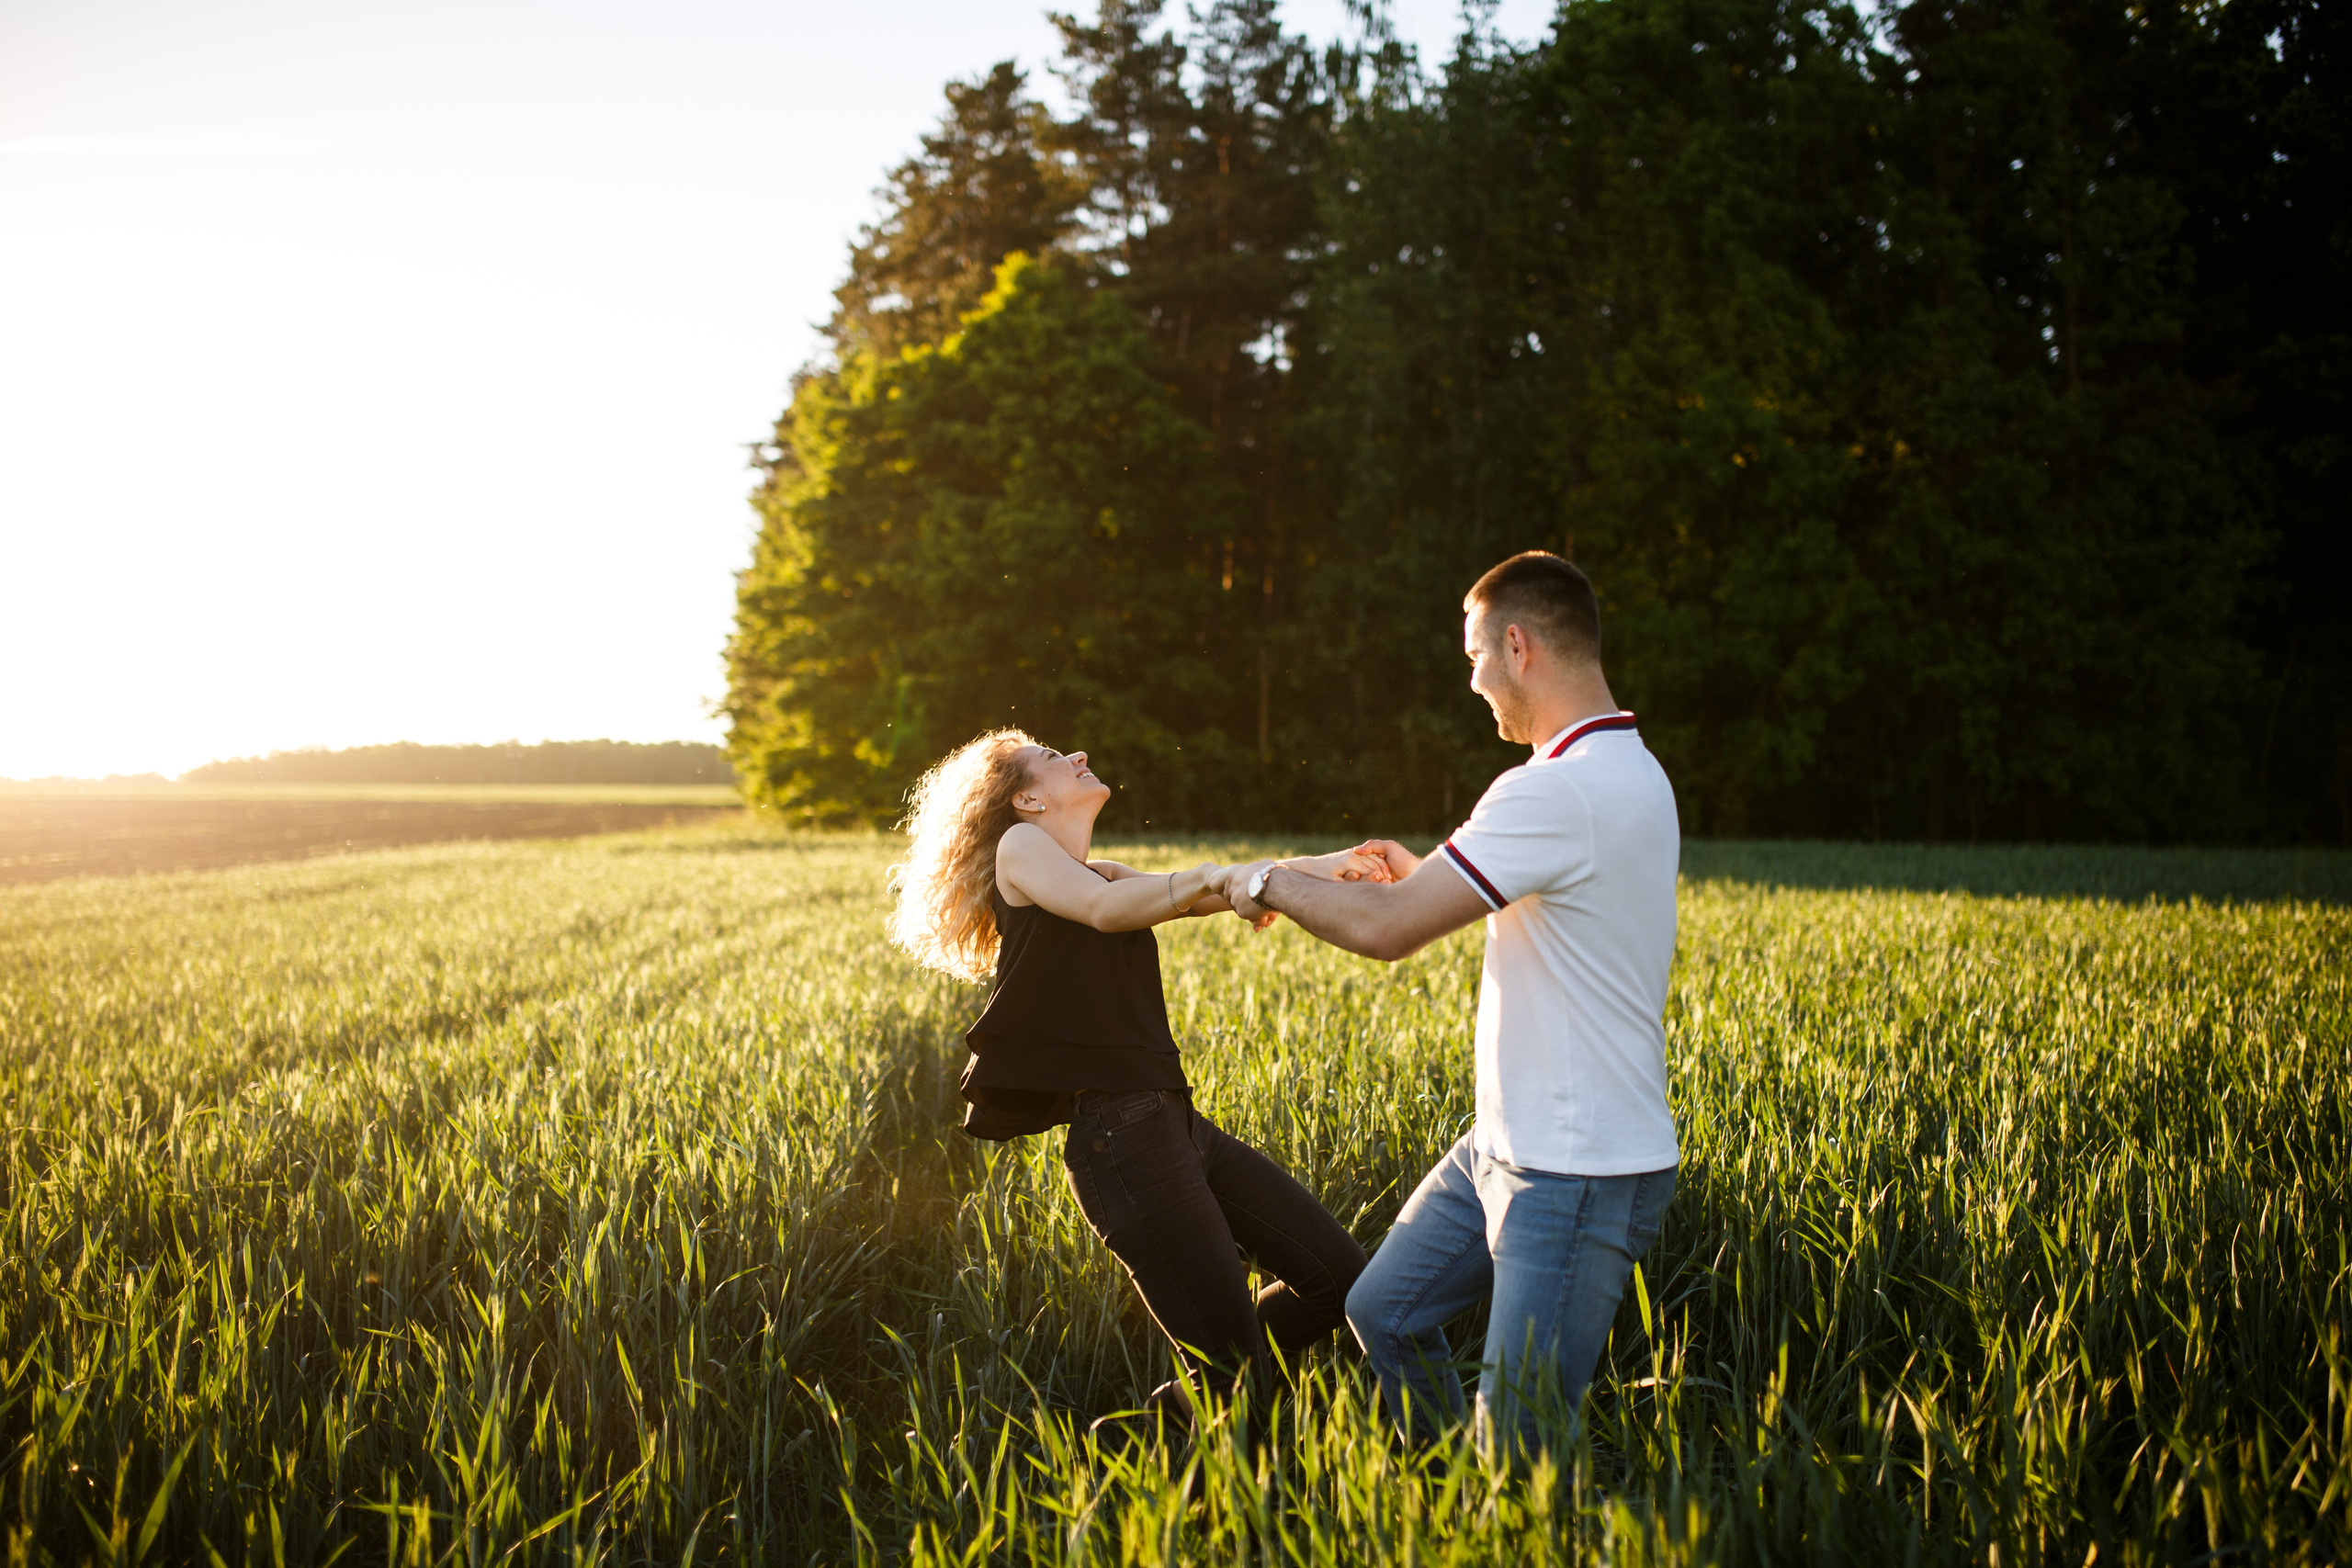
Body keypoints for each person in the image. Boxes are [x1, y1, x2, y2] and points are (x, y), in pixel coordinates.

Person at [1218, 551, 1680, 1457]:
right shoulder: (1626, 769)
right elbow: (1545, 910)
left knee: (1521, 1450)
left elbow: (1388, 930)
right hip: (1507, 1144)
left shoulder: (1552, 788)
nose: (1472, 680)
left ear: (1517, 645)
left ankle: (1495, 1523)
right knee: (1384, 1312)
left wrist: (1264, 879)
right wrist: (1422, 877)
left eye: (1474, 656)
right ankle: (1439, 1502)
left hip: (1574, 1170)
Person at [886, 727, 1375, 1433]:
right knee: (1242, 1379)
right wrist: (1209, 878)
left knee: (1338, 1281)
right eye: (1055, 759)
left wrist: (1331, 864)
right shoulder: (1020, 851)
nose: (1078, 754)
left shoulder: (1098, 870)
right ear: (1025, 797)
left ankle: (1160, 1425)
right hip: (1120, 1144)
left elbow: (1203, 893)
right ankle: (1208, 1482)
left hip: (1173, 1126)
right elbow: (1110, 911)